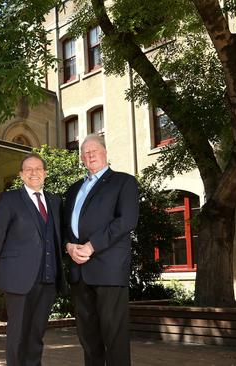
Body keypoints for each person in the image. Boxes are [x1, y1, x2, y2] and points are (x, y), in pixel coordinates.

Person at [64, 134, 139, 366]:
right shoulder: (73, 189)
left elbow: (126, 221)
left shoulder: (123, 182)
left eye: (94, 150)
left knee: (114, 337)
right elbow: (64, 226)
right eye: (85, 153)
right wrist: (68, 246)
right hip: (79, 271)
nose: (90, 155)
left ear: (105, 153)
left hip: (108, 270)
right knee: (88, 337)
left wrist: (91, 245)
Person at [0, 153, 65, 366]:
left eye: (38, 168)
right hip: (18, 281)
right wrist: (10, 269)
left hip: (48, 280)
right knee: (18, 335)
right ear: (21, 175)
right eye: (28, 169)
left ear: (45, 174)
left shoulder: (55, 201)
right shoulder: (9, 199)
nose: (34, 173)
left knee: (36, 335)